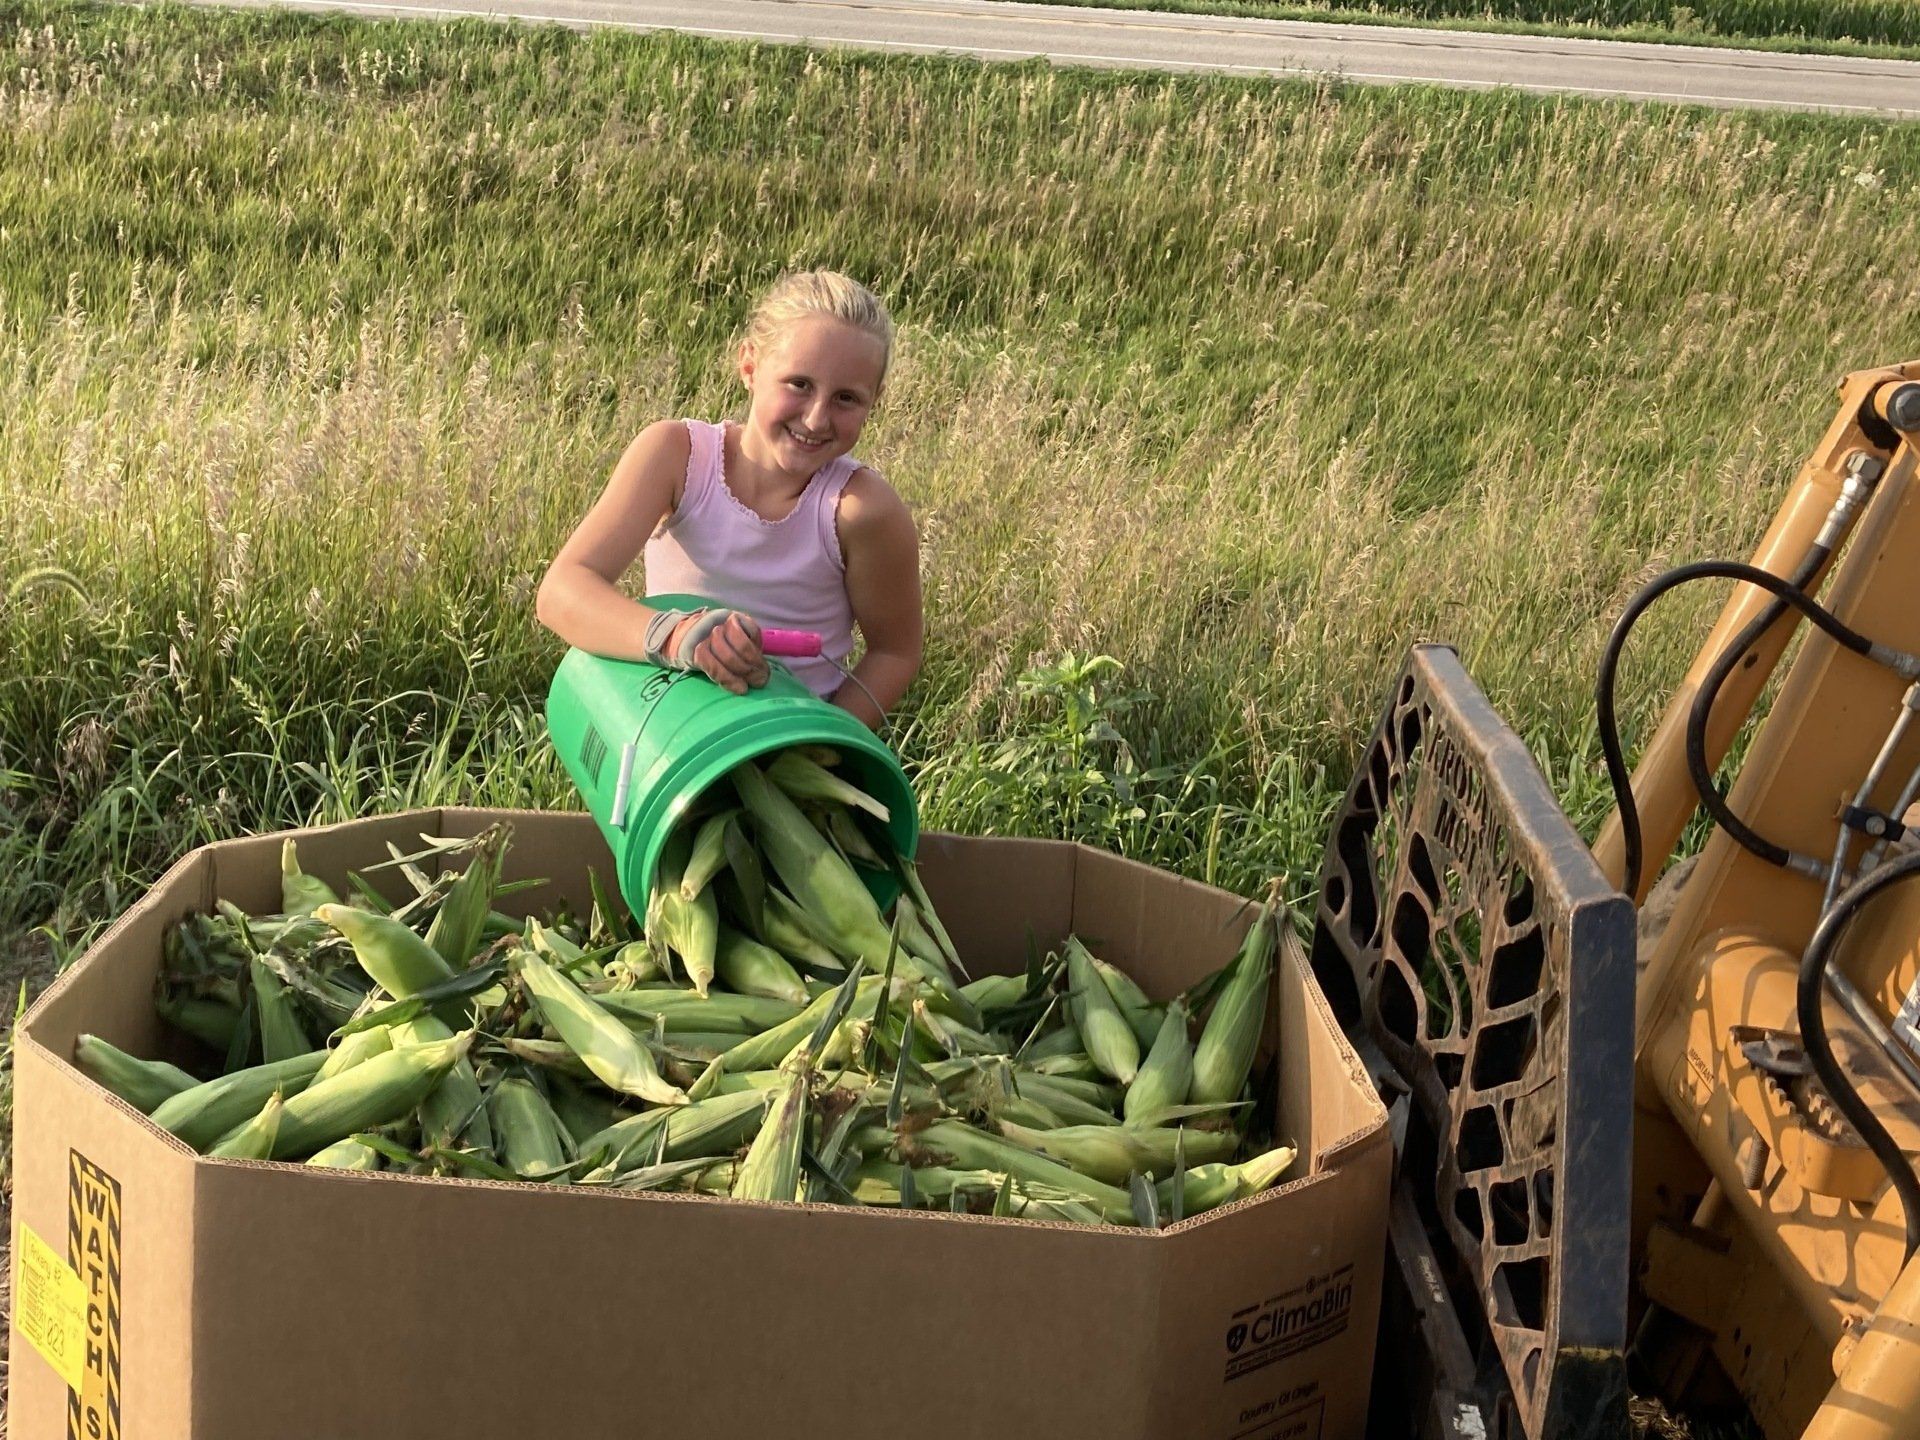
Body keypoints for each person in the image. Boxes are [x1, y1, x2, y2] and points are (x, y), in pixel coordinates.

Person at [536, 271, 923, 729]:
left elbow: (895, 651)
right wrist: (677, 637)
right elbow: (562, 591)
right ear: (749, 366)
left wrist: (824, 746)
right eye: (799, 384)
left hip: (787, 737)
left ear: (874, 400)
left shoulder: (859, 510)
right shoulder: (677, 458)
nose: (817, 419)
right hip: (671, 729)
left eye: (846, 399)